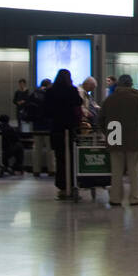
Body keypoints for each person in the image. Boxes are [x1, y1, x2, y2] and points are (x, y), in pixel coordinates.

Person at [99, 75, 138, 206]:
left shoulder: (109, 99)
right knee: (133, 169)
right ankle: (134, 197)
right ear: (131, 84)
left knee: (116, 169)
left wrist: (108, 132)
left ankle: (115, 198)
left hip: (114, 134)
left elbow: (101, 119)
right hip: (133, 136)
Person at [47, 69, 84, 199]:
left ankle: (62, 186)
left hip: (56, 128)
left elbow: (46, 109)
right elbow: (79, 102)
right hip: (70, 127)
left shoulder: (51, 91)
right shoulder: (72, 90)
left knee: (60, 158)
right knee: (71, 158)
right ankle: (72, 183)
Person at [29, 79, 52, 176]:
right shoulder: (49, 94)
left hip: (36, 125)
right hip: (48, 125)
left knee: (36, 149)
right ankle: (52, 169)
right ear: (48, 85)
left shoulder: (34, 94)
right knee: (50, 149)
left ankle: (36, 170)